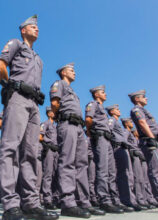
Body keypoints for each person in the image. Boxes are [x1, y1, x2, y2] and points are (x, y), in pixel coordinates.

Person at [0, 15, 58, 220]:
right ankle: (10, 205)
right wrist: (9, 85)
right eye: (33, 27)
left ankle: (31, 203)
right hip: (18, 99)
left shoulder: (39, 59)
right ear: (23, 30)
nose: (37, 29)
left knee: (31, 153)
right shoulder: (15, 44)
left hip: (33, 104)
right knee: (10, 148)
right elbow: (0, 67)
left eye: (37, 27)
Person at [51, 63, 105, 218]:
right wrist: (60, 117)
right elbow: (55, 103)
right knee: (67, 162)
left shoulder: (74, 92)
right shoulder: (59, 84)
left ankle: (83, 201)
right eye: (71, 70)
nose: (74, 72)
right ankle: (68, 202)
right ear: (63, 72)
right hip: (66, 123)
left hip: (78, 127)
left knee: (82, 164)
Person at [84, 85, 124, 214]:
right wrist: (91, 133)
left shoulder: (102, 109)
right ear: (96, 94)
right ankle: (104, 200)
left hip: (107, 140)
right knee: (102, 169)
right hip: (100, 137)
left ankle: (113, 200)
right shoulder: (93, 104)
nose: (105, 94)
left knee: (111, 171)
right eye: (103, 92)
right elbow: (88, 119)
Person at [106, 104, 143, 211]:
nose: (119, 111)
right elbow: (108, 131)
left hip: (123, 148)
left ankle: (129, 200)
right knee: (123, 175)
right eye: (117, 109)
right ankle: (125, 200)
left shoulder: (117, 122)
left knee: (127, 175)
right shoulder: (112, 120)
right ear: (112, 111)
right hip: (119, 148)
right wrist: (116, 142)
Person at [40, 107, 59, 210]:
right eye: (53, 112)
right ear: (49, 113)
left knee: (56, 174)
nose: (54, 113)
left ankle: (56, 198)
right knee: (48, 174)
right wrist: (47, 144)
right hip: (49, 150)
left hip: (57, 150)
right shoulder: (45, 123)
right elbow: (40, 137)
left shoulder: (56, 126)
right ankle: (47, 199)